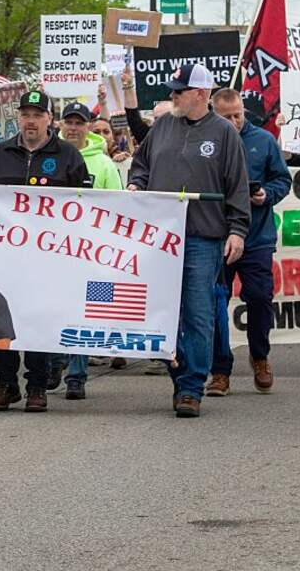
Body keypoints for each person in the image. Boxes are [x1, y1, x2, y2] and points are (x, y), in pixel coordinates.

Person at [128, 63, 250, 418]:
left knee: (198, 312)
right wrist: (137, 182)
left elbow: (237, 186)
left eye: (178, 91)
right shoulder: (164, 125)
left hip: (202, 237)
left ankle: (191, 386)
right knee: (165, 312)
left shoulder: (224, 133)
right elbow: (141, 163)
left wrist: (237, 230)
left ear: (200, 93)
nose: (172, 96)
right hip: (161, 237)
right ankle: (180, 373)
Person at [0, 90, 89, 412]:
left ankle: (37, 385)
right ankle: (6, 383)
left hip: (47, 259)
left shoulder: (67, 156)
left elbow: (87, 204)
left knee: (37, 318)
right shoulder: (0, 153)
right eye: (25, 114)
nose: (30, 120)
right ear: (18, 117)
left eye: (37, 114)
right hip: (3, 258)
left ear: (50, 119)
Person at [205, 88, 291, 397]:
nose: (233, 122)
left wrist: (266, 194)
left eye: (237, 115)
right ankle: (219, 370)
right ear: (214, 112)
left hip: (256, 237)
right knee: (214, 302)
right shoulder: (207, 139)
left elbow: (283, 179)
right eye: (226, 117)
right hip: (216, 236)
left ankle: (260, 356)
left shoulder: (264, 140)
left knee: (258, 298)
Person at [53, 101, 124, 398]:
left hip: (89, 249)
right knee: (55, 309)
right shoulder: (50, 155)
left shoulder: (104, 164)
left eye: (79, 123)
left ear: (87, 127)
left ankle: (77, 376)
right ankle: (55, 362)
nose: (73, 127)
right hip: (53, 248)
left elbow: (118, 207)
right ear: (59, 125)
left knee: (82, 312)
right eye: (68, 122)